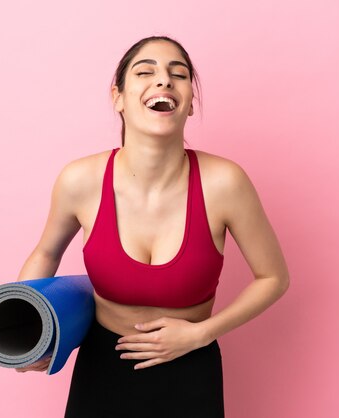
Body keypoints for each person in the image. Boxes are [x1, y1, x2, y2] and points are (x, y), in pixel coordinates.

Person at [15, 35, 290, 418]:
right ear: (118, 97)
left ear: (189, 103)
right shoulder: (80, 180)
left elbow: (273, 277)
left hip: (191, 366)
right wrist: (28, 328)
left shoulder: (226, 182)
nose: (164, 81)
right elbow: (46, 252)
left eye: (179, 75)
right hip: (101, 367)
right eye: (146, 72)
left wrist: (201, 334)